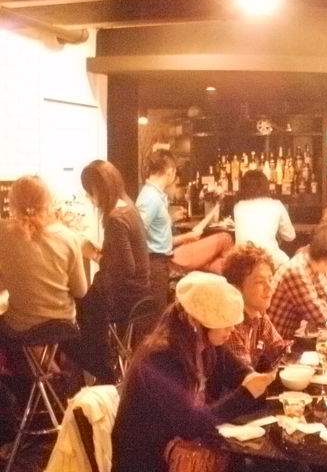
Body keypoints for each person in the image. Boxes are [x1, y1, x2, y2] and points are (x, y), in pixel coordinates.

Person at [112, 271, 275, 472]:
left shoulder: (207, 343)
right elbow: (189, 425)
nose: (231, 329)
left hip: (184, 450)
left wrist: (254, 379)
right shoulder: (161, 357)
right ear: (195, 322)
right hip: (150, 461)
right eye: (224, 322)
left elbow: (238, 371)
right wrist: (246, 394)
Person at [77, 160, 150, 384]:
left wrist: (94, 255)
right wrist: (102, 251)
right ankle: (105, 369)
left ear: (99, 189)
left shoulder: (115, 219)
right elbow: (125, 258)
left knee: (80, 309)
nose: (89, 197)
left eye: (90, 192)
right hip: (140, 293)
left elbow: (125, 269)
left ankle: (104, 373)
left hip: (125, 297)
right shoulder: (128, 208)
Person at [0, 176, 87, 332]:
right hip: (62, 327)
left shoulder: (4, 233)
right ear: (48, 202)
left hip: (19, 328)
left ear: (12, 203)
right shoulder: (69, 237)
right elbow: (80, 291)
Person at [136, 150, 207, 311]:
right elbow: (138, 232)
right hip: (154, 263)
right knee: (156, 314)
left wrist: (172, 221)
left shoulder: (154, 195)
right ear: (170, 172)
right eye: (175, 172)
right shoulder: (151, 198)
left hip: (159, 261)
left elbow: (154, 234)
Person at [267, 223, 327, 340]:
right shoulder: (296, 270)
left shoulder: (317, 266)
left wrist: (320, 310)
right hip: (277, 342)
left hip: (290, 337)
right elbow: (319, 316)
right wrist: (318, 314)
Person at [222, 243, 286, 371]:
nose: (270, 288)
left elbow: (280, 352)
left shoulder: (259, 315)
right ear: (237, 288)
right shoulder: (230, 325)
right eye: (260, 282)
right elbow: (243, 374)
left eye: (270, 279)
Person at [233, 170, 295, 268]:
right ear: (267, 186)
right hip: (269, 261)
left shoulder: (238, 207)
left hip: (243, 263)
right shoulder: (276, 205)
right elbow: (290, 236)